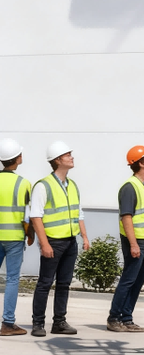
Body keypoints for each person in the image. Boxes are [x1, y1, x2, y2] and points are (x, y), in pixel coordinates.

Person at [30, 142, 89, 337]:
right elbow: (36, 216)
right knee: (45, 283)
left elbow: (79, 213)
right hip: (53, 242)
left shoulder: (72, 185)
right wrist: (44, 243)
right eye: (67, 154)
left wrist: (84, 237)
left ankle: (59, 322)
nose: (72, 157)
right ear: (57, 160)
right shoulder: (43, 186)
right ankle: (38, 323)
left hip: (70, 242)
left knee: (64, 283)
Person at [108, 146, 144, 332]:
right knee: (128, 280)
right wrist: (133, 244)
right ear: (140, 163)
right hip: (136, 241)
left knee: (137, 281)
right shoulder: (130, 187)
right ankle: (114, 318)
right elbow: (126, 217)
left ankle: (127, 319)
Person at [0, 138, 34, 336]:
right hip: (14, 237)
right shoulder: (24, 184)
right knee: (12, 279)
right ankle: (7, 324)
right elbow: (27, 216)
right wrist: (30, 235)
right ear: (18, 158)